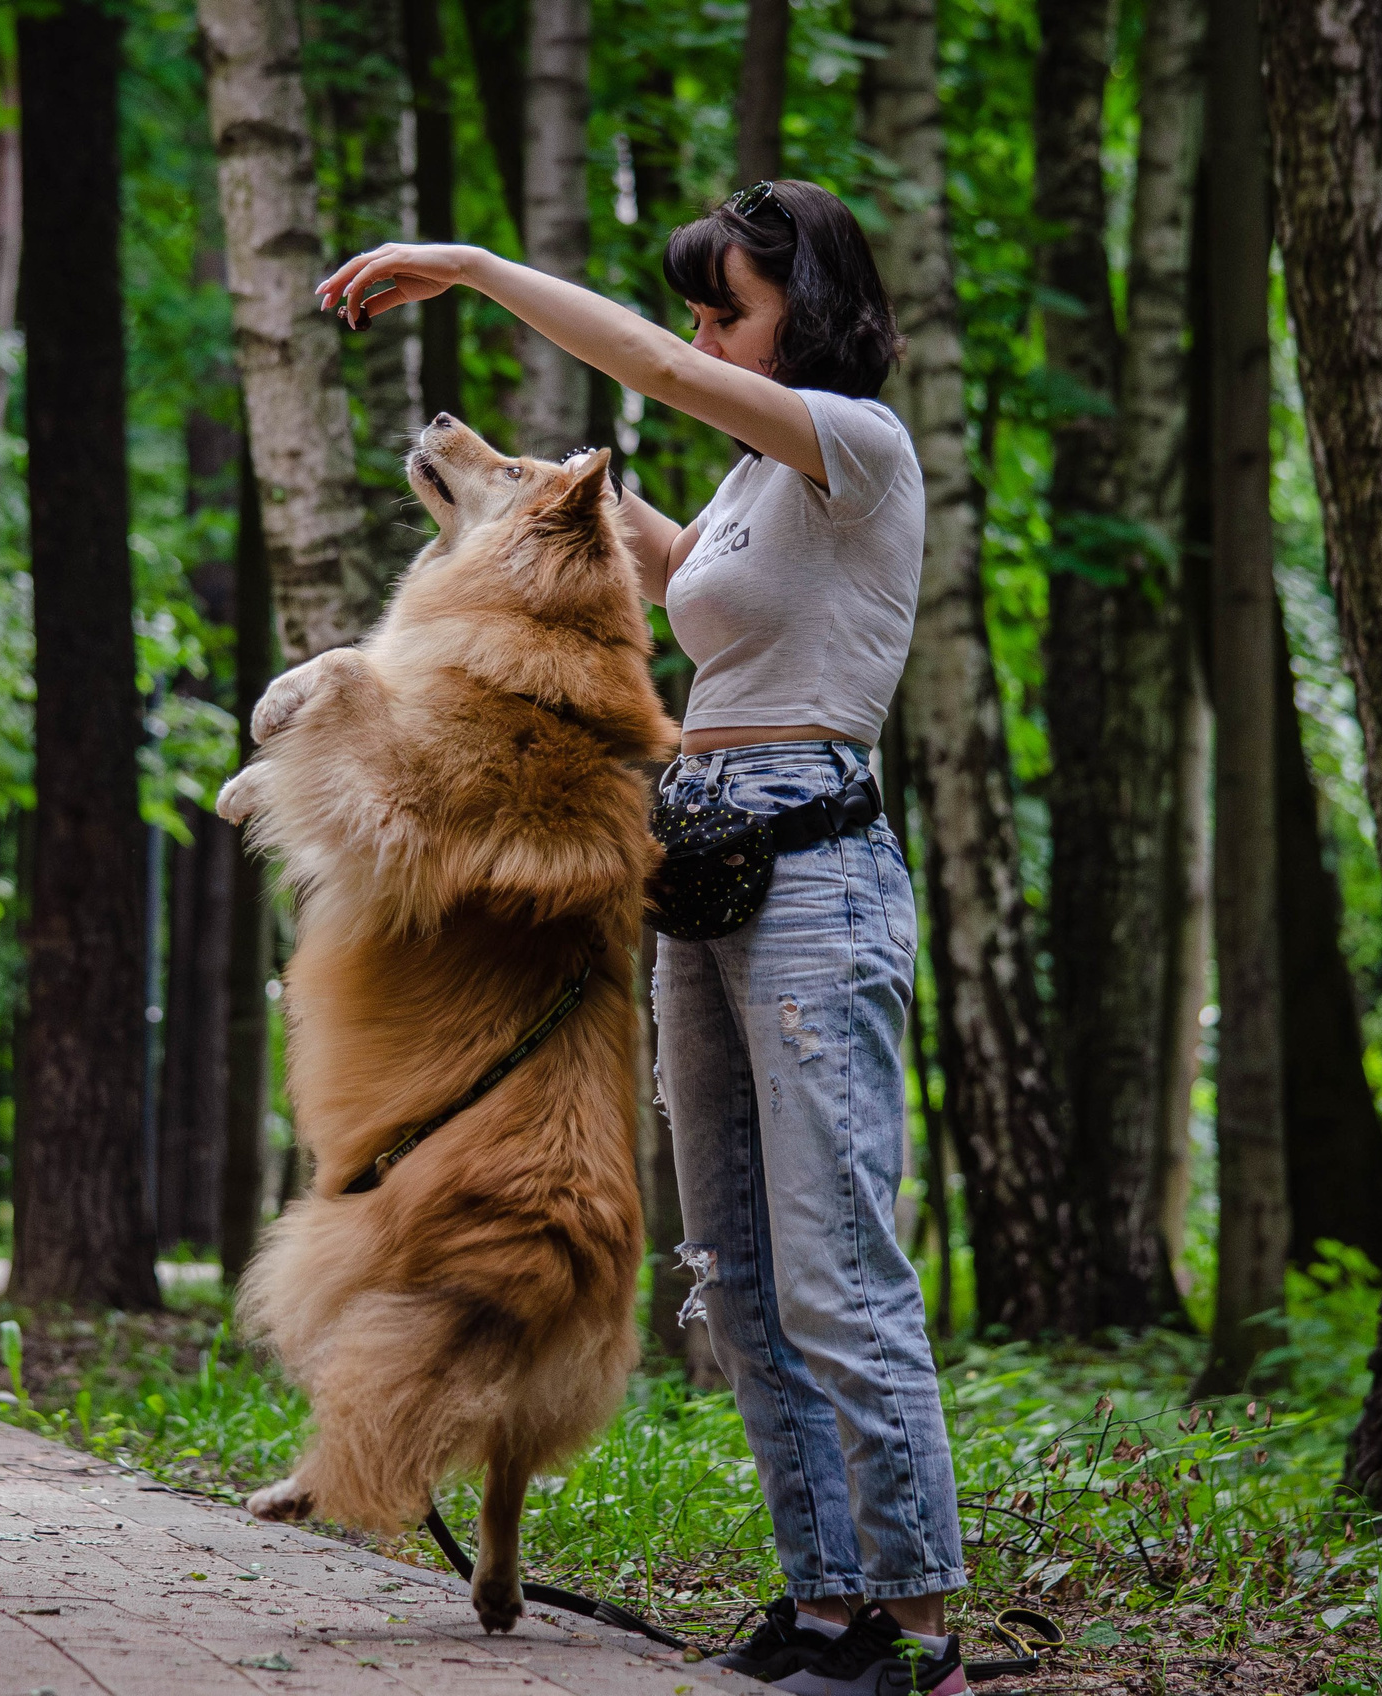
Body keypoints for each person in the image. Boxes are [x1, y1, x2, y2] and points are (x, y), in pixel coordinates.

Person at [317, 178, 964, 1696]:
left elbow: (662, 384)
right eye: (696, 306)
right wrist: (515, 497)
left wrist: (475, 267)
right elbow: (675, 573)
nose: (698, 333)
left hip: (813, 877)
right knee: (734, 1272)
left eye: (725, 304)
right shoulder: (755, 485)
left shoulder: (859, 447)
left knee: (834, 1265)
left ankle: (917, 1627)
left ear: (807, 309)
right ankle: (821, 1611)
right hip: (701, 871)